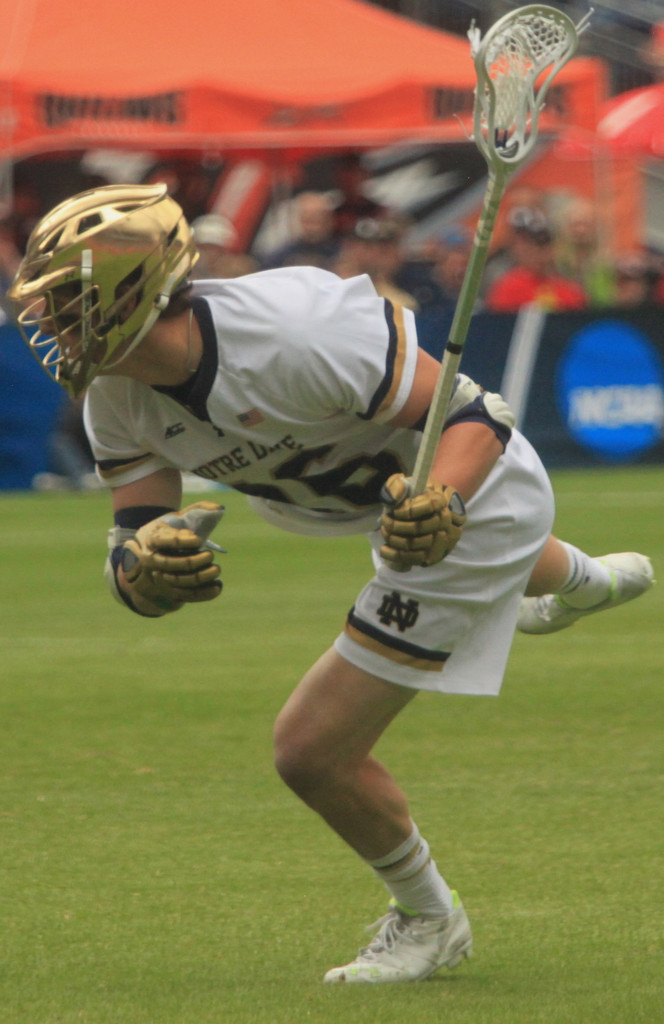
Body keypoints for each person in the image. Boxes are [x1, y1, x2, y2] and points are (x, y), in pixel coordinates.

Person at [9, 184, 653, 985]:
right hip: (365, 511)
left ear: (129, 289)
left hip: (476, 496)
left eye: (67, 303)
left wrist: (443, 498)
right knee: (473, 555)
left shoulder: (291, 330)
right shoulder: (116, 397)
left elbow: (477, 416)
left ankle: (429, 917)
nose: (50, 325)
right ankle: (582, 584)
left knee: (311, 751)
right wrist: (146, 570)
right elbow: (130, 545)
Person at [484, 207, 587, 313]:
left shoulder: (569, 289)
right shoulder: (508, 287)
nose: (539, 252)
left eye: (544, 244)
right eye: (532, 245)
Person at [333, 217, 419, 311]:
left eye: (382, 250)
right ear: (347, 246)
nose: (371, 255)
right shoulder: (325, 282)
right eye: (365, 246)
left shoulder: (396, 302)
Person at [261, 191, 340, 271]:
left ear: (330, 221)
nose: (313, 228)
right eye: (308, 221)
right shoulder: (281, 256)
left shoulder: (342, 253)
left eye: (318, 220)